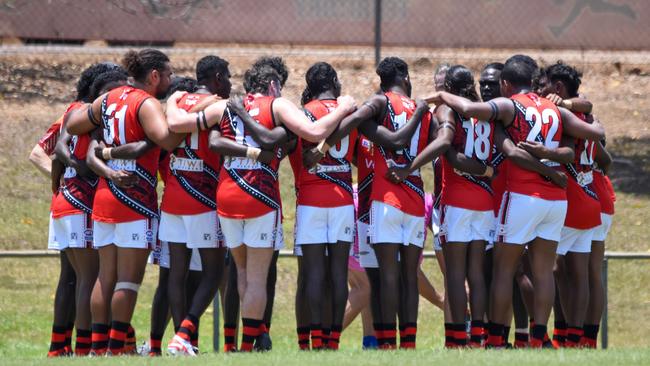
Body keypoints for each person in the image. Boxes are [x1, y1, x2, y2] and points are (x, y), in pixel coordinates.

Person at [165, 62, 356, 352]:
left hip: (227, 195)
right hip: (260, 196)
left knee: (240, 273)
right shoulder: (277, 104)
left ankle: (212, 342)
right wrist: (344, 107)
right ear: (272, 85)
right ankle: (244, 347)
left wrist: (171, 100)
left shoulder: (226, 106)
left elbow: (177, 124)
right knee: (257, 278)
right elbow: (315, 131)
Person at [422, 54, 605, 348]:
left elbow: (469, 108)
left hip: (522, 194)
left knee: (504, 269)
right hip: (556, 199)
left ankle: (494, 338)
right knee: (545, 271)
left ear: (506, 84)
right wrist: (556, 146)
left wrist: (442, 94)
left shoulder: (510, 105)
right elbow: (597, 132)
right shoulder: (552, 107)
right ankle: (537, 337)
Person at [66, 48, 181, 356]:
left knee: (105, 276)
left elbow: (74, 124)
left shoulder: (109, 98)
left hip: (105, 196)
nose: (170, 79)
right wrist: (182, 117)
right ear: (154, 76)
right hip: (135, 197)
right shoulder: (145, 102)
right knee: (128, 281)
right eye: (168, 74)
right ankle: (117, 349)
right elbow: (168, 139)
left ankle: (97, 347)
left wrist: (105, 144)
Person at [51, 65, 130, 356]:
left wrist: (60, 181)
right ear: (101, 93)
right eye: (115, 90)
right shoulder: (96, 120)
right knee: (89, 277)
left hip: (64, 199)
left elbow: (58, 149)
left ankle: (59, 347)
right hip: (80, 202)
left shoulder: (74, 110)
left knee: (72, 277)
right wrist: (81, 167)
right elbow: (79, 156)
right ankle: (85, 348)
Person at [162, 56, 231, 356]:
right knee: (214, 272)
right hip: (203, 200)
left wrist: (173, 102)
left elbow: (173, 121)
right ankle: (184, 334)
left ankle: (185, 343)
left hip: (173, 198)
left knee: (177, 272)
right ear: (217, 77)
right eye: (227, 76)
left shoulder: (176, 100)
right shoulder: (218, 104)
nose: (230, 81)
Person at [534, 62, 601, 348]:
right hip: (590, 200)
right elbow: (588, 103)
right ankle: (576, 338)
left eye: (544, 85)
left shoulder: (560, 114)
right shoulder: (587, 115)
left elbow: (563, 152)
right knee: (580, 274)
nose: (539, 90)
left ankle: (548, 335)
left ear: (558, 89)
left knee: (551, 272)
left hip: (570, 201)